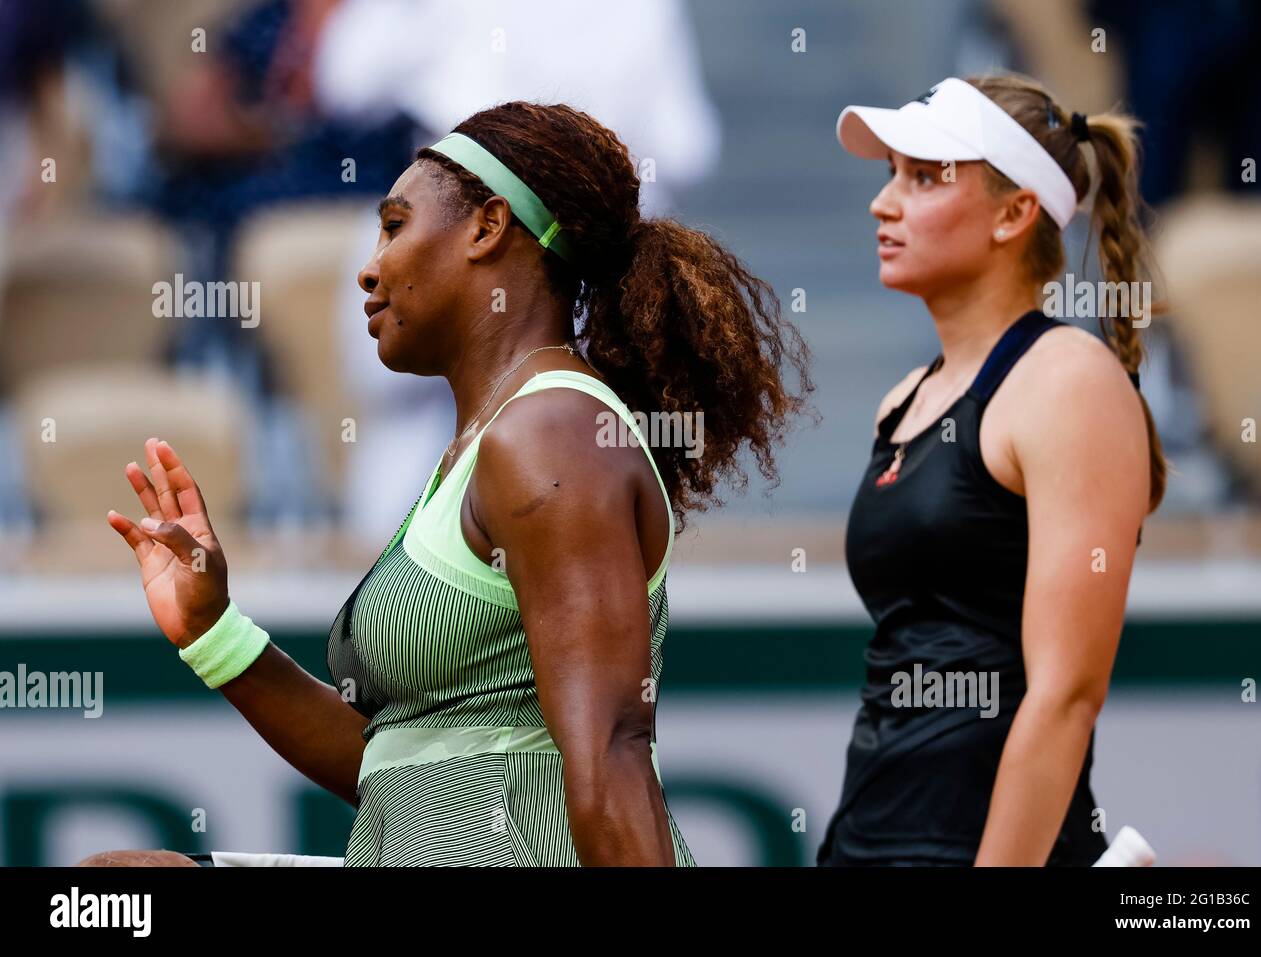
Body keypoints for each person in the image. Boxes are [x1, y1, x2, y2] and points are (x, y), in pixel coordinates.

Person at [101, 100, 811, 866]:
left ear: (486, 227)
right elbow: (395, 770)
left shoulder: (553, 436)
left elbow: (613, 751)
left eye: (395, 225)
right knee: (116, 887)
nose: (369, 268)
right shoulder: (487, 445)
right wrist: (216, 634)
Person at [817, 74, 1164, 866]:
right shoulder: (902, 400)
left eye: (927, 177)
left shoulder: (1070, 380)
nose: (885, 203)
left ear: (1015, 213)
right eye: (891, 176)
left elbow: (1066, 694)